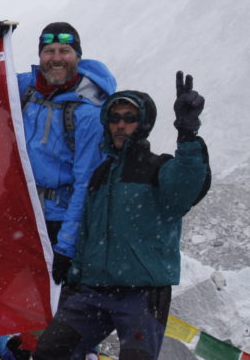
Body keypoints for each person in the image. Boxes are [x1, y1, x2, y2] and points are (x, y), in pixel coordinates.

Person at [0, 21, 117, 360]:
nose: (56, 58)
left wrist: (65, 246)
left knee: (55, 317)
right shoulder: (26, 88)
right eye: (49, 51)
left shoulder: (89, 113)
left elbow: (85, 184)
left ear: (77, 56)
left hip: (57, 225)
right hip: (13, 212)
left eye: (64, 51)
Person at [33, 72, 210, 360]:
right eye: (114, 118)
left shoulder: (159, 168)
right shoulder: (101, 175)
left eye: (129, 117)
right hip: (94, 290)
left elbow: (186, 188)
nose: (120, 125)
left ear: (143, 124)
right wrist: (75, 272)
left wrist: (188, 134)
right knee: (51, 352)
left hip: (142, 293)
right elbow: (88, 231)